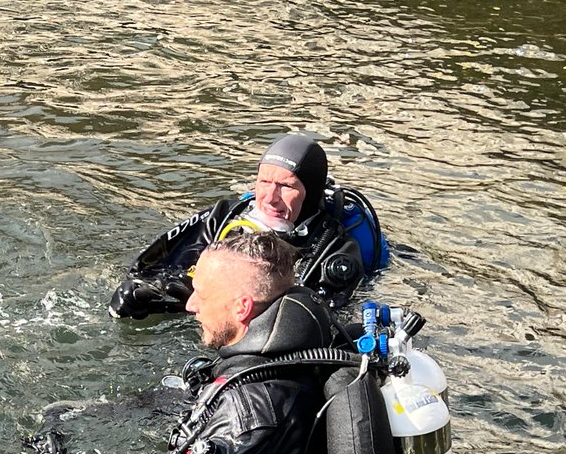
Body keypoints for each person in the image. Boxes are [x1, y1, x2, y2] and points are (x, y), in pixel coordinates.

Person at [38, 229, 344, 454]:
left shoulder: (252, 411)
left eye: (204, 295)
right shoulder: (298, 346)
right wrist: (97, 411)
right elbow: (197, 396)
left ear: (242, 307)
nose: (191, 305)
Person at [108, 133, 386, 319]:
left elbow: (310, 321)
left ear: (310, 193)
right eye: (264, 182)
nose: (270, 197)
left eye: (286, 186)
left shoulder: (335, 249)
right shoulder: (226, 217)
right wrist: (154, 294)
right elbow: (169, 267)